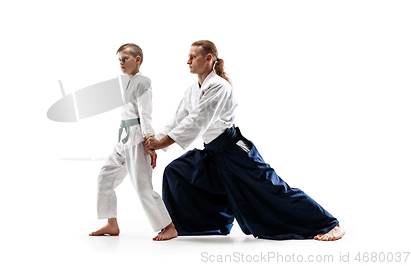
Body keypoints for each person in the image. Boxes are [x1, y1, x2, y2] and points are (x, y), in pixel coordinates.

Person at [144, 40, 345, 241]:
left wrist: (161, 143)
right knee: (177, 172)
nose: (187, 61)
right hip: (213, 153)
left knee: (273, 189)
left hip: (234, 150)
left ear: (208, 58)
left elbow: (197, 121)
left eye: (192, 56)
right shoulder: (191, 90)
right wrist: (153, 143)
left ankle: (328, 223)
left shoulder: (219, 86)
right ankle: (201, 225)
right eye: (188, 56)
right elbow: (177, 118)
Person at [89, 44, 177, 241]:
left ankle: (169, 226)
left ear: (138, 60)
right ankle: (112, 223)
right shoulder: (128, 82)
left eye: (125, 58)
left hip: (138, 139)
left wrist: (150, 143)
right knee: (105, 176)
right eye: (119, 59)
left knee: (142, 187)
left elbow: (145, 115)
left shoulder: (142, 82)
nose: (121, 62)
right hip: (123, 139)